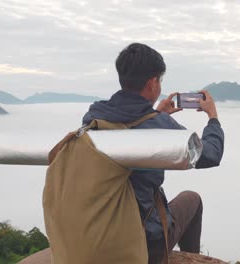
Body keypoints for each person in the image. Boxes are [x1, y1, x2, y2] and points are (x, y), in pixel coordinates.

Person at [82, 43, 225, 264]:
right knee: (192, 199)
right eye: (159, 80)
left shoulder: (94, 117)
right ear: (152, 83)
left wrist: (155, 113)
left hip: (100, 234)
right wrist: (213, 118)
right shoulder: (159, 125)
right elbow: (211, 155)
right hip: (143, 244)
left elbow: (131, 128)